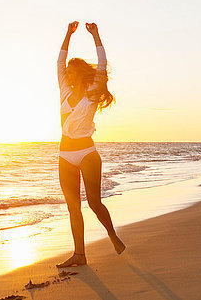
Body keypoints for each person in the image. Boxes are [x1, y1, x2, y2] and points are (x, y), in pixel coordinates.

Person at [56, 21, 125, 268]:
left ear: (80, 74)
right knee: (73, 207)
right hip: (65, 155)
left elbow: (103, 64)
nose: (67, 73)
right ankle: (79, 255)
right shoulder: (63, 91)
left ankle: (112, 234)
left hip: (87, 153)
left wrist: (96, 35)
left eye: (71, 70)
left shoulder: (93, 91)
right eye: (68, 71)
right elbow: (59, 62)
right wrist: (68, 34)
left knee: (94, 203)